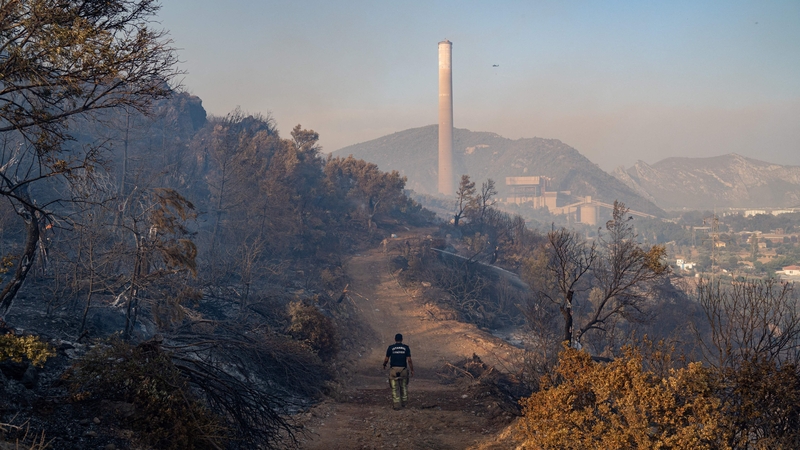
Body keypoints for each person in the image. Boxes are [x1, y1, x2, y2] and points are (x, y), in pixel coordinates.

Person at [383, 333, 414, 409]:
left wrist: (384, 364)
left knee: (394, 388)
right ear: (402, 339)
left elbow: (386, 358)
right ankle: (404, 403)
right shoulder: (406, 348)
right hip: (403, 370)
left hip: (393, 370)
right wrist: (412, 369)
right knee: (403, 386)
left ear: (395, 339)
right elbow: (409, 360)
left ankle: (396, 405)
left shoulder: (391, 348)